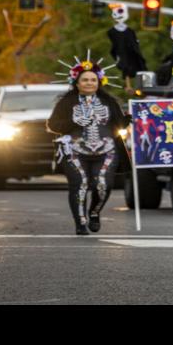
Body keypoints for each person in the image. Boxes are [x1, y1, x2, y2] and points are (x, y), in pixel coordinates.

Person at [46, 64, 127, 236]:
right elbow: (53, 125)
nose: (89, 83)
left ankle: (94, 212)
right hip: (75, 150)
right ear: (76, 83)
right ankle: (80, 222)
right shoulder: (66, 102)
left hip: (106, 150)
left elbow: (118, 125)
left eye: (93, 80)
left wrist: (129, 118)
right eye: (85, 80)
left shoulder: (109, 102)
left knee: (103, 185)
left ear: (99, 82)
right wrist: (74, 122)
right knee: (79, 184)